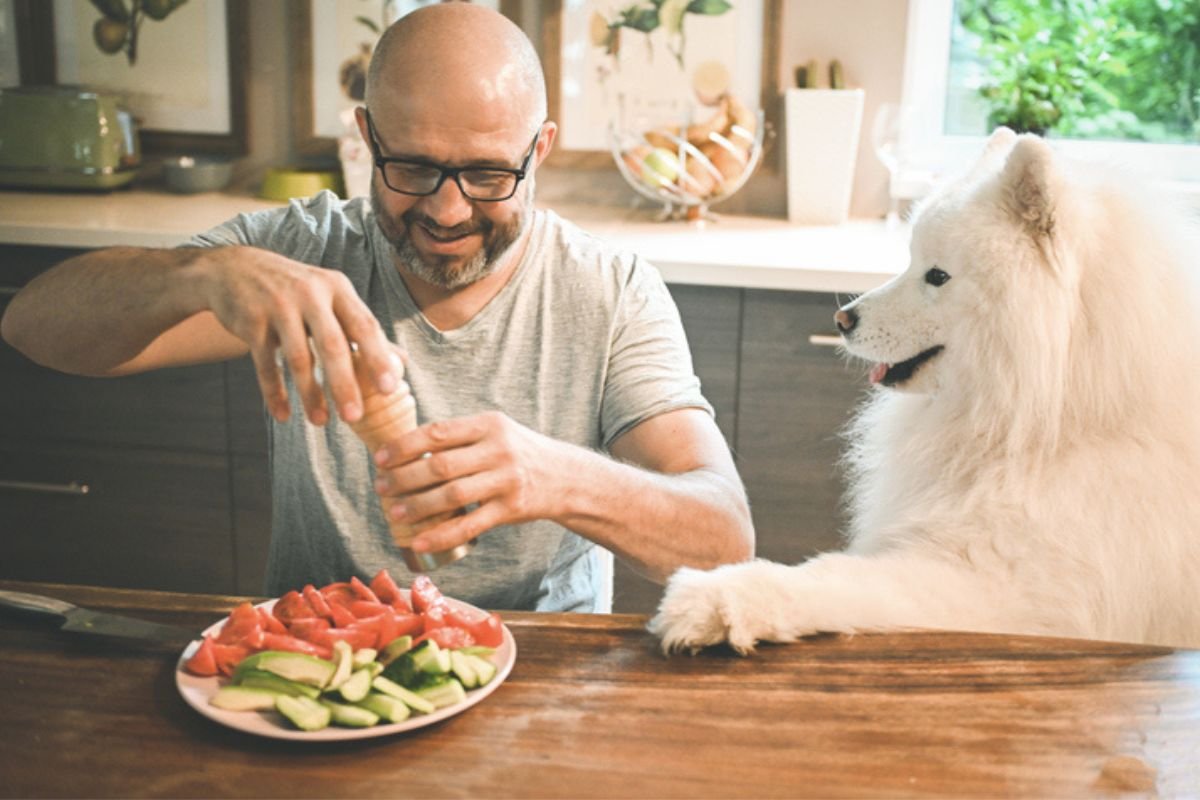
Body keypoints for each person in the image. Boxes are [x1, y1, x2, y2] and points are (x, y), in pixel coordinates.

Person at [0, 3, 753, 612]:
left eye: (489, 173)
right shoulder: (301, 252)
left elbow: (725, 537)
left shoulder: (609, 290)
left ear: (540, 150)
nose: (449, 210)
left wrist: (556, 477)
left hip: (540, 680)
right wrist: (203, 273)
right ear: (366, 137)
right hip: (321, 657)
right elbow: (31, 326)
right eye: (414, 167)